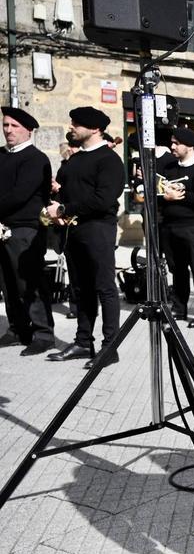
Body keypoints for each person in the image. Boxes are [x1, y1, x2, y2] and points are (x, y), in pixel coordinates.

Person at [45, 107, 125, 370]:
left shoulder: (109, 160)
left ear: (94, 129)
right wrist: (57, 209)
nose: (72, 127)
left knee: (105, 287)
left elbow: (104, 199)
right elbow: (65, 194)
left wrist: (65, 209)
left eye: (77, 123)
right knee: (80, 289)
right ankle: (82, 342)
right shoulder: (74, 161)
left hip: (98, 229)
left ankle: (110, 347)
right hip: (74, 231)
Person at [0, 106, 55, 355]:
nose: (8, 130)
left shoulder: (35, 159)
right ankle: (17, 328)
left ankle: (43, 333)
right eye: (5, 125)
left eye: (14, 126)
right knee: (7, 283)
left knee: (28, 282)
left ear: (28, 131)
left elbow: (19, 195)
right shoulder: (1, 154)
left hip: (26, 229)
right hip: (2, 226)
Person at [160, 127, 194, 327]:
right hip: (170, 226)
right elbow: (158, 194)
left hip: (193, 228)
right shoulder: (170, 168)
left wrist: (178, 196)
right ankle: (179, 309)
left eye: (176, 143)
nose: (172, 146)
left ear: (189, 146)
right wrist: (165, 197)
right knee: (178, 270)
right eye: (172, 142)